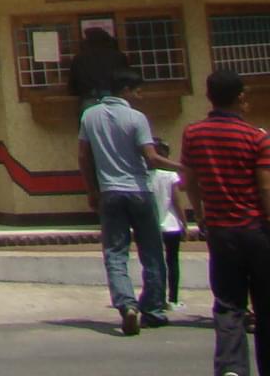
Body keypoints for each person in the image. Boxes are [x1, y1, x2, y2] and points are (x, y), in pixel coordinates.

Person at [181, 67, 270, 376]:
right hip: (256, 229)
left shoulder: (193, 134)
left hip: (220, 230)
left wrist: (201, 215)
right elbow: (265, 186)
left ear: (209, 97)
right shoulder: (256, 137)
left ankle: (232, 367)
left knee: (229, 302)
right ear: (241, 97)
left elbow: (189, 180)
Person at [79, 69, 179, 335]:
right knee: (152, 252)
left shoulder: (89, 116)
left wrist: (92, 190)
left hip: (109, 193)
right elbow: (151, 157)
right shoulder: (137, 118)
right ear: (125, 91)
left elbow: (84, 157)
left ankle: (126, 305)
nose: (140, 96)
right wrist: (184, 167)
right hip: (139, 190)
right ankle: (154, 309)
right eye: (137, 91)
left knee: (115, 253)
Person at [150, 138, 188, 312]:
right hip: (171, 225)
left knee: (154, 263)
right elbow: (177, 201)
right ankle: (172, 299)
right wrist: (184, 222)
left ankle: (156, 297)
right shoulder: (171, 176)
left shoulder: (146, 176)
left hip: (152, 226)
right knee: (173, 261)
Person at [70, 26, 133, 106]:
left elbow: (74, 81)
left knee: (91, 118)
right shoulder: (119, 56)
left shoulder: (80, 58)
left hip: (90, 97)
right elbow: (126, 77)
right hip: (115, 96)